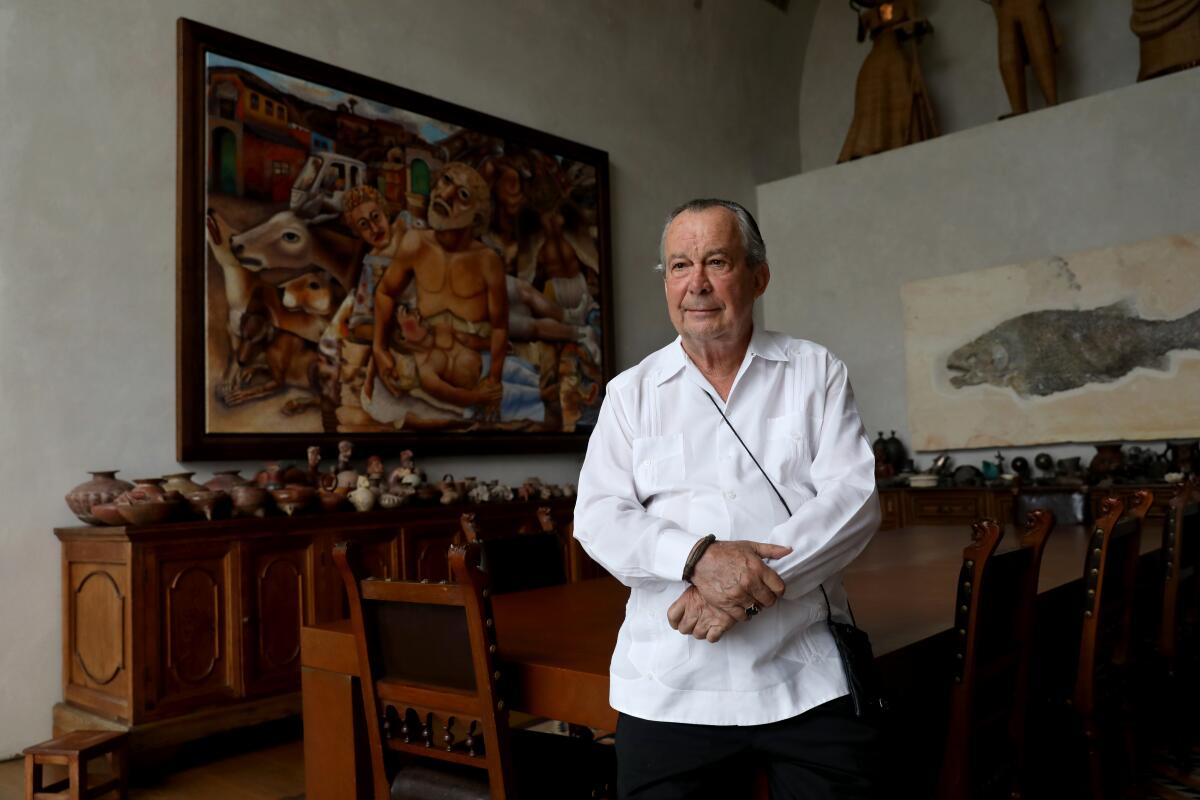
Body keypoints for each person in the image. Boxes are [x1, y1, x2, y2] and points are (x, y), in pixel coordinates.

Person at [574, 199, 881, 798]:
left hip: (806, 674)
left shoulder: (815, 371)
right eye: (680, 266)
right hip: (669, 679)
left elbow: (855, 499)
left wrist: (739, 593)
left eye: (717, 261)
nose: (698, 284)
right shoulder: (630, 393)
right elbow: (599, 516)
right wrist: (698, 559)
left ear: (758, 276)